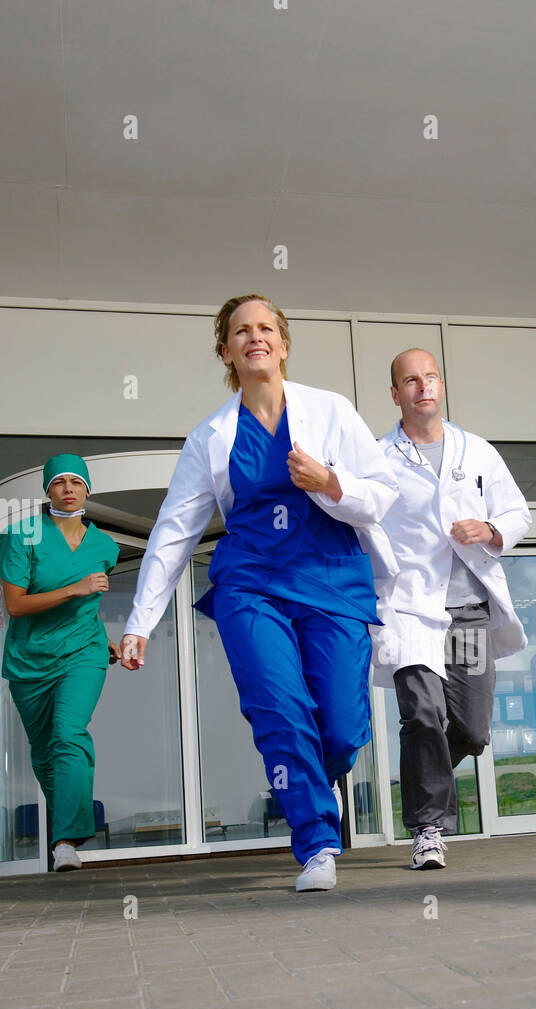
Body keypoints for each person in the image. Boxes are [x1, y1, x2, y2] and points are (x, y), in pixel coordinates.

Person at [120, 294, 399, 891]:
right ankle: (317, 841)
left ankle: (307, 785)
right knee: (278, 707)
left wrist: (330, 482)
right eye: (241, 331)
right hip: (250, 584)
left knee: (346, 729)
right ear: (226, 350)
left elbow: (382, 494)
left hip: (331, 578)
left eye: (266, 328)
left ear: (283, 343)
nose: (255, 338)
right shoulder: (210, 437)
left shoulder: (330, 410)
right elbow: (174, 531)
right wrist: (139, 621)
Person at [375, 348, 531, 868]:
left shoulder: (477, 452)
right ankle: (427, 828)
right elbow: (358, 521)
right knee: (421, 714)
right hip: (412, 609)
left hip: (468, 613)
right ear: (395, 394)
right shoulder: (378, 458)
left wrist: (491, 530)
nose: (423, 387)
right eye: (411, 381)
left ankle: (426, 777)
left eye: (431, 378)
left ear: (441, 387)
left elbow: (517, 512)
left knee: (471, 730)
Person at [1, 455, 120, 871]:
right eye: (59, 482)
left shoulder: (105, 545)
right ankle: (65, 824)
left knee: (69, 734)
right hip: (29, 659)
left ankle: (66, 840)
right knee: (43, 752)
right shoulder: (22, 534)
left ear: (88, 490)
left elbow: (88, 607)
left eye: (76, 482)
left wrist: (105, 639)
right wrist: (74, 588)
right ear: (47, 491)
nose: (68, 488)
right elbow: (15, 605)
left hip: (83, 652)